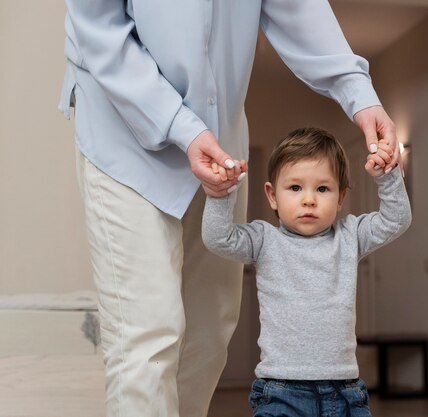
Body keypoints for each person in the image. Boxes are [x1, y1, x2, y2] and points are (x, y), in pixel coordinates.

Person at [59, 1, 399, 416]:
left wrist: (359, 95)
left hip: (220, 149)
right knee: (146, 336)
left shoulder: (343, 238)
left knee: (208, 334)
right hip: (124, 137)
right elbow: (98, 28)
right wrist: (182, 127)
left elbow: (297, 8)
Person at [202, 127, 411, 417]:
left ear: (340, 198)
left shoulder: (349, 236)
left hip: (344, 389)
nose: (309, 199)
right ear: (272, 196)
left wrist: (388, 177)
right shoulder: (265, 240)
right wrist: (221, 195)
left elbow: (396, 220)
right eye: (295, 188)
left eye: (322, 189)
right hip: (281, 389)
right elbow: (218, 238)